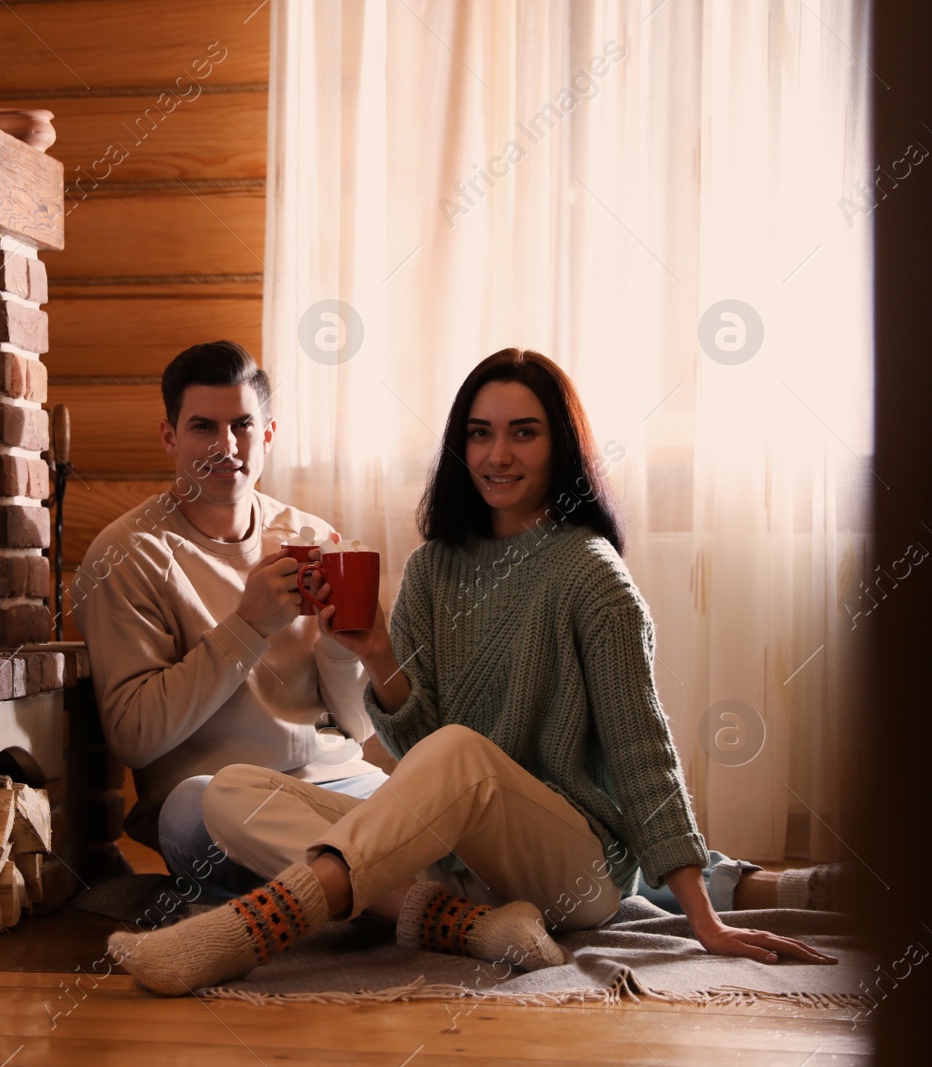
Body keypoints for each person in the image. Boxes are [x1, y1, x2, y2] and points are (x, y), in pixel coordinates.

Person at [108, 348, 838, 995]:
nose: (499, 454)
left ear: (562, 447)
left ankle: (250, 927)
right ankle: (469, 924)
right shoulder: (432, 569)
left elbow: (644, 755)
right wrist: (376, 655)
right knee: (231, 793)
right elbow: (421, 748)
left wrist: (704, 923)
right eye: (481, 433)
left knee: (459, 751)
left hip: (573, 865)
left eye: (525, 432)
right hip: (466, 860)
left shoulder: (592, 576)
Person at [72, 341, 388, 893]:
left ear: (266, 435)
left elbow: (357, 728)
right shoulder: (128, 553)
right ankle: (394, 885)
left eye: (242, 425)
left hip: (336, 785)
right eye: (202, 428)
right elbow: (136, 737)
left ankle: (357, 896)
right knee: (198, 807)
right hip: (220, 805)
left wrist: (341, 649)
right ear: (170, 437)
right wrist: (248, 628)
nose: (226, 446)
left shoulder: (311, 538)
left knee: (438, 790)